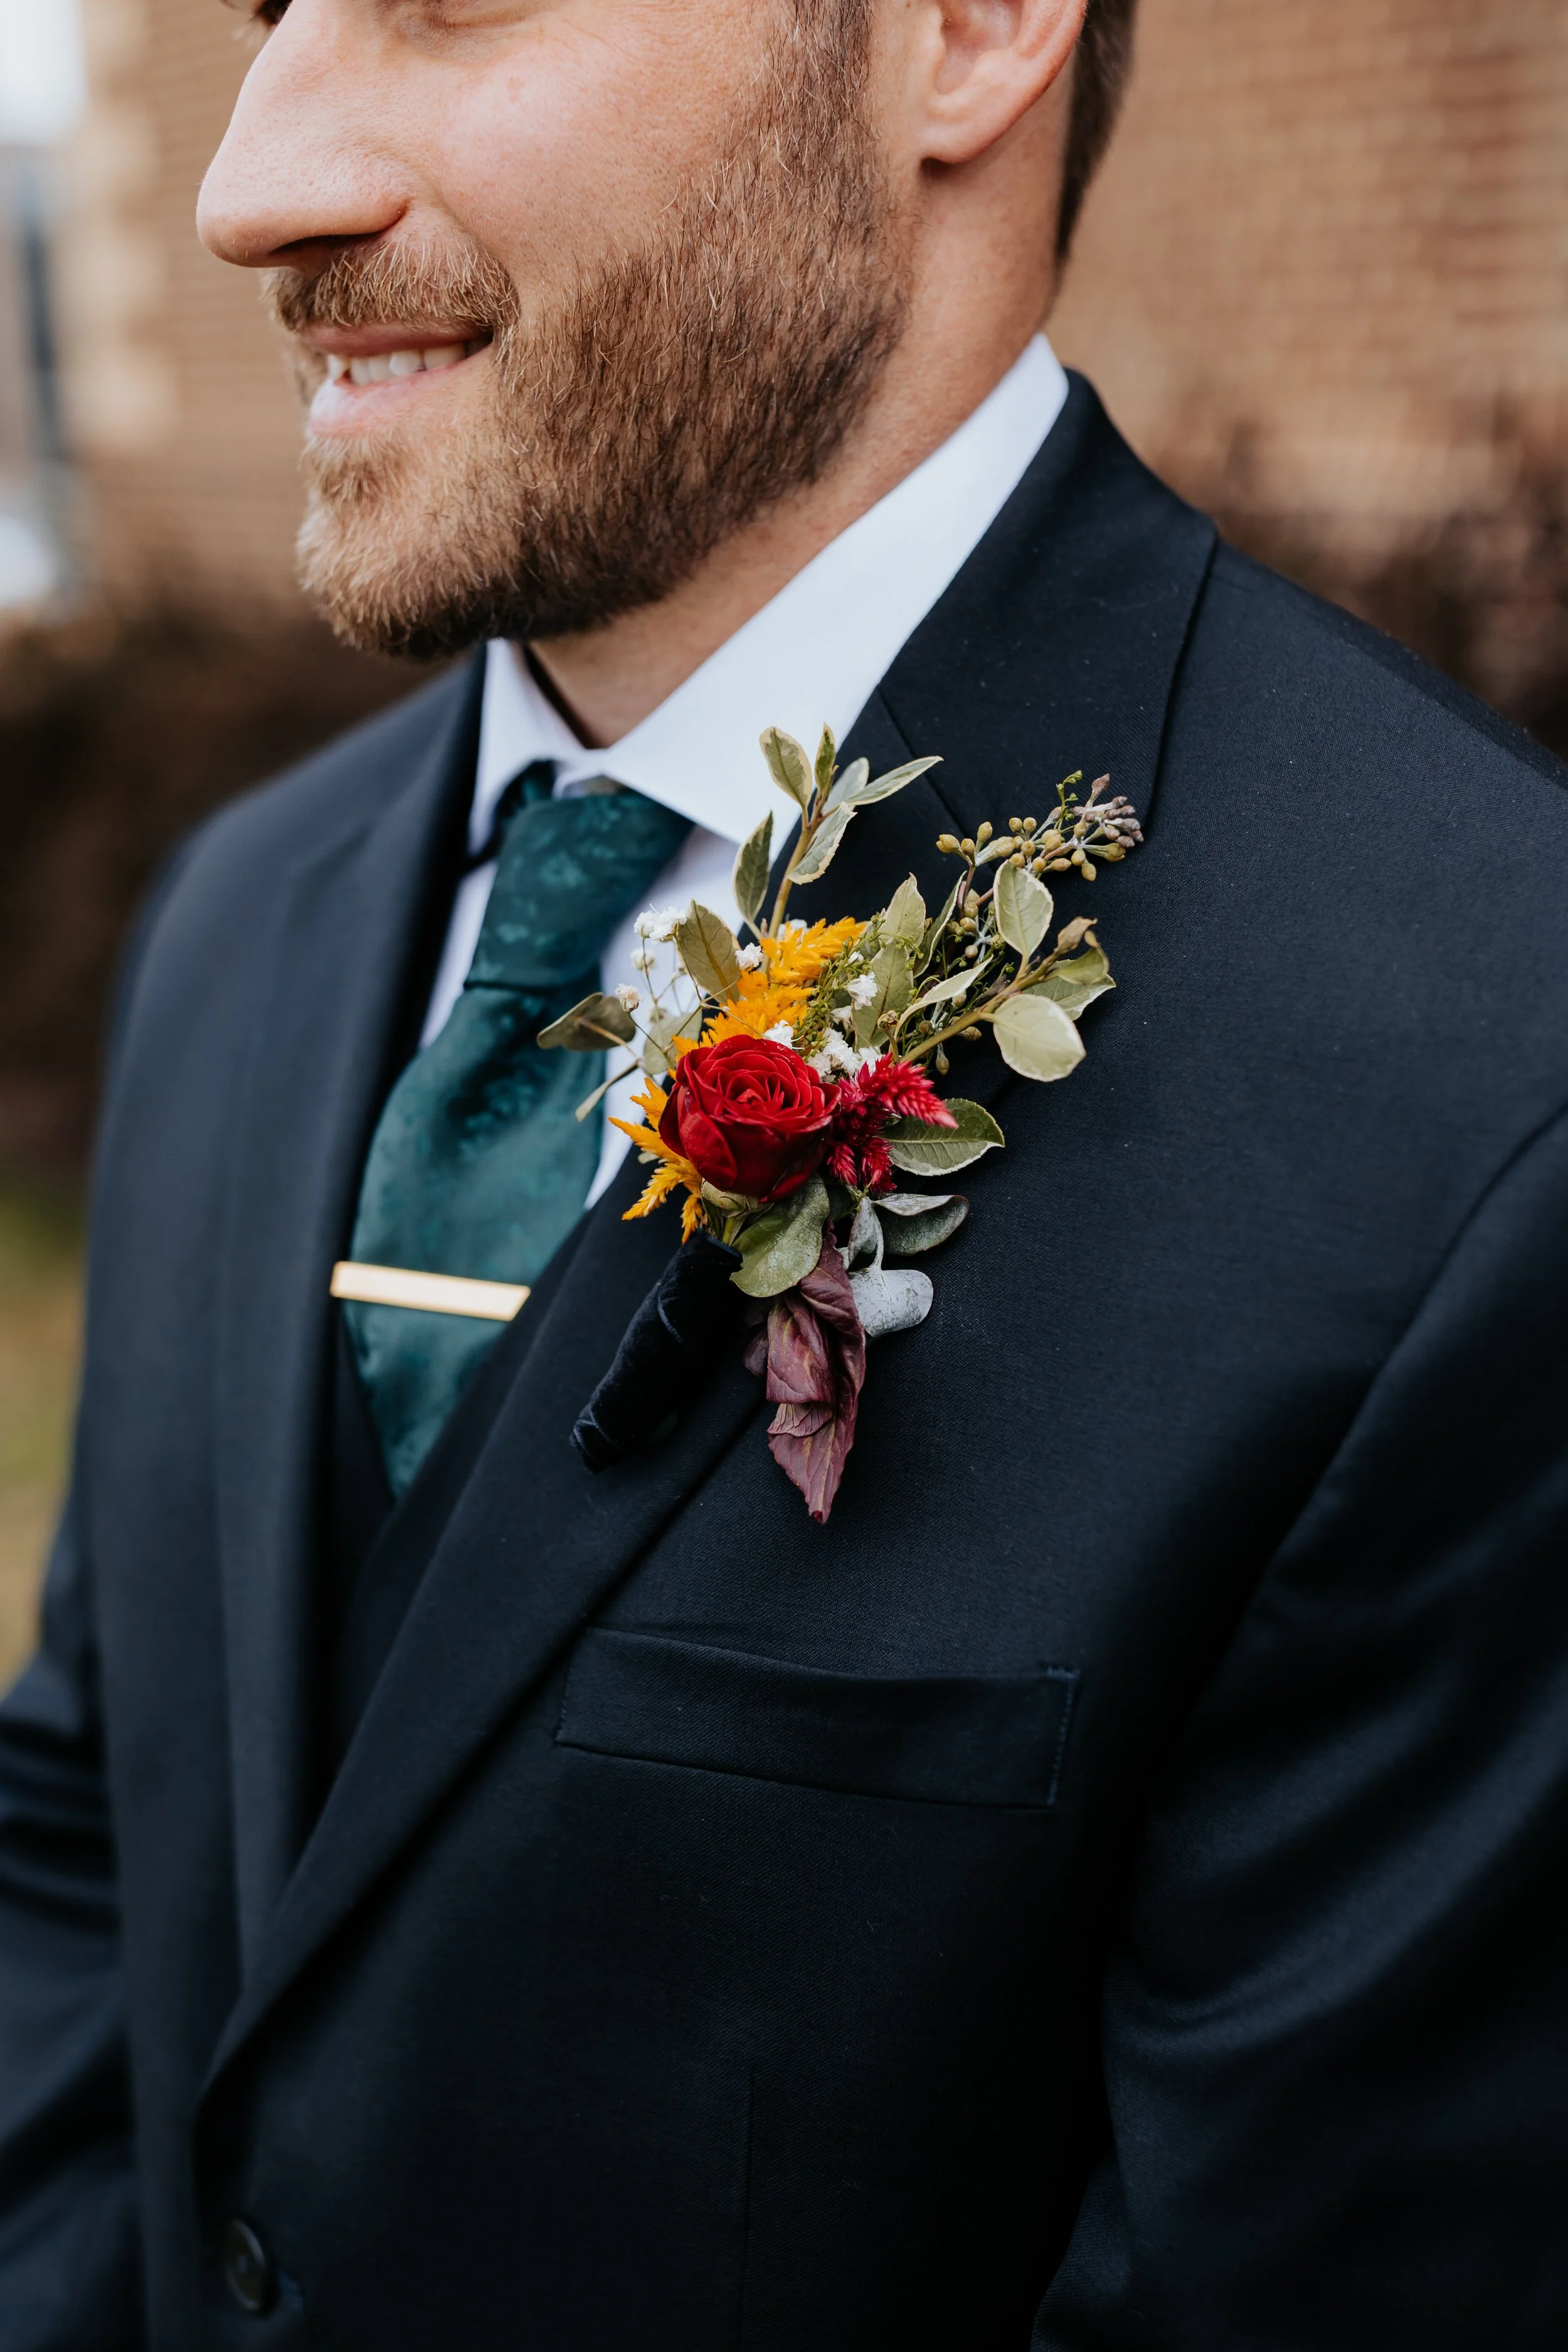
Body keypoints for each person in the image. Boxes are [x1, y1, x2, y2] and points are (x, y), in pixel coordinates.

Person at [4, 0, 1568, 2341]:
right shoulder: (243, 923)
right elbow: (91, 1863)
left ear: (960, 35)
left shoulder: (1479, 1065)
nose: (254, 184)